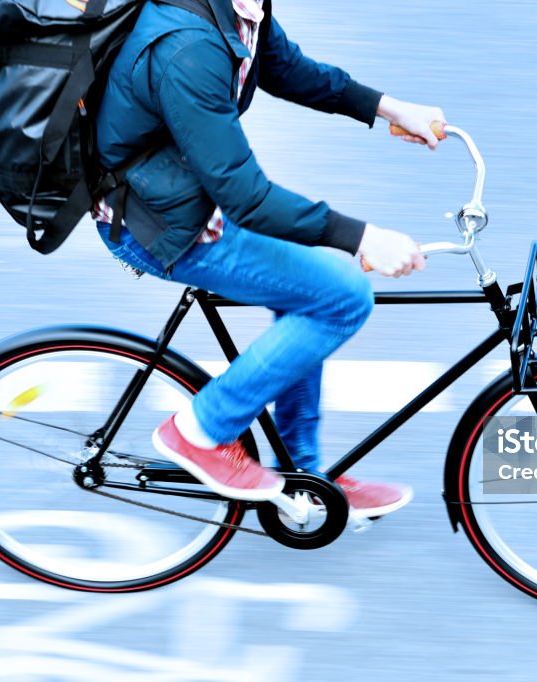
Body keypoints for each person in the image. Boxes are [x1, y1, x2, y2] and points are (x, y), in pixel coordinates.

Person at [93, 0, 445, 520]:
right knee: (342, 295)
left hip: (188, 189)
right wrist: (363, 238)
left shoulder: (240, 8)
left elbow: (287, 69)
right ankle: (199, 432)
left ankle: (302, 473)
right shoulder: (187, 48)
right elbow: (247, 197)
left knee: (313, 282)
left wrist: (388, 107)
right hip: (161, 223)